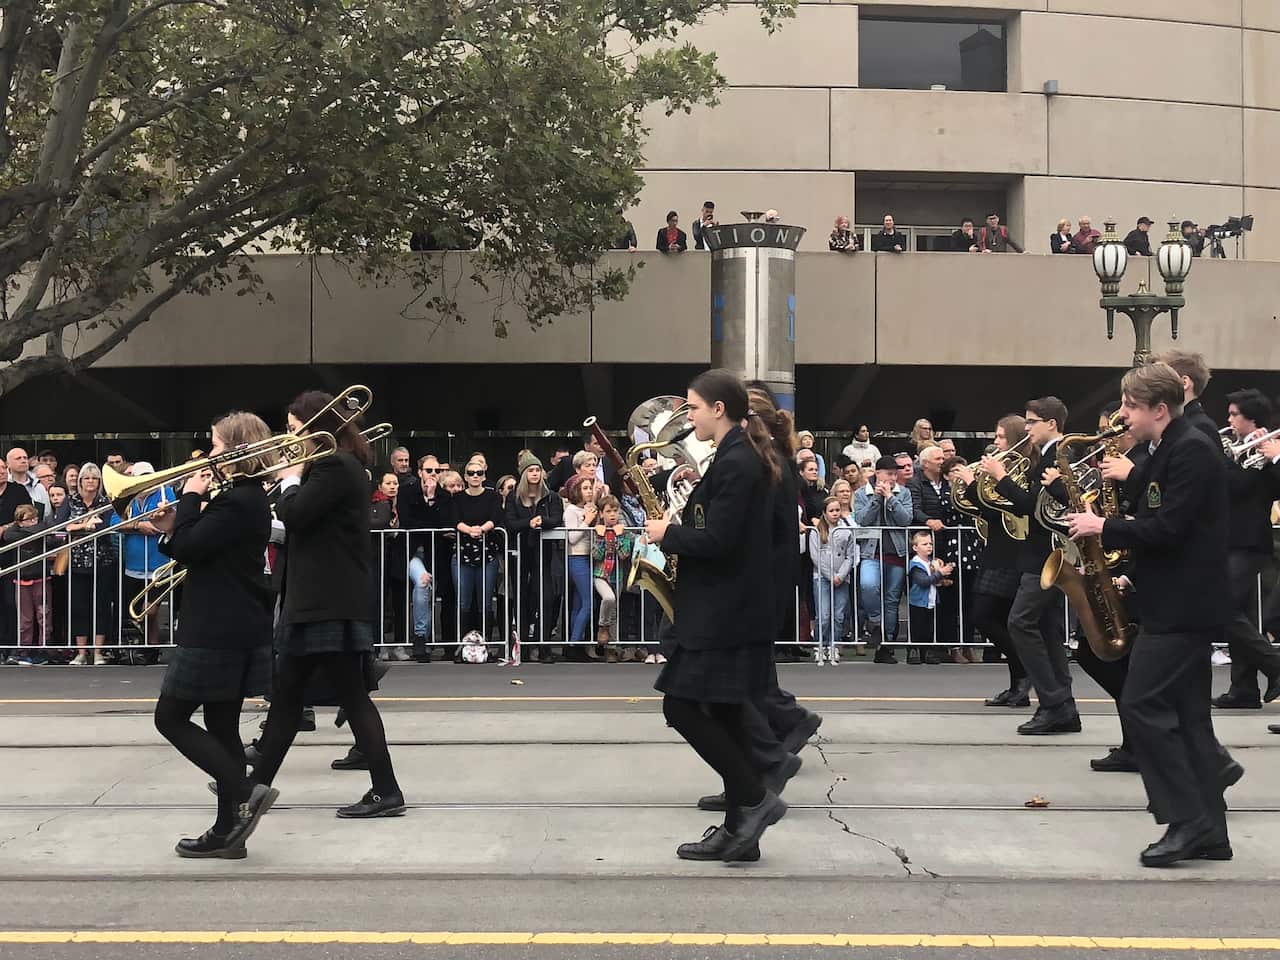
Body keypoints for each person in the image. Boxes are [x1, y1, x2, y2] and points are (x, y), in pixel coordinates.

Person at [1066, 363, 1234, 867]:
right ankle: (1212, 832)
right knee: (1188, 720)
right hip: (1177, 600)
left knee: (1140, 704)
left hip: (1183, 608)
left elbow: (1170, 529)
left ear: (1159, 409)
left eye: (1130, 407)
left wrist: (1105, 525)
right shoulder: (1173, 447)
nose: (1123, 416)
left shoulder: (1191, 449)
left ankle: (1186, 820)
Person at [643, 369, 787, 863]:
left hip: (724, 613)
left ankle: (754, 801)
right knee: (724, 713)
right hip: (728, 609)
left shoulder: (738, 463)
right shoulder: (736, 457)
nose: (689, 417)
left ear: (719, 409)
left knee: (680, 707)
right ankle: (739, 830)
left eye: (694, 408)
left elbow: (720, 541)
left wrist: (668, 534)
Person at [250, 390, 405, 819]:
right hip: (322, 599)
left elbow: (295, 514)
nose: (287, 435)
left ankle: (387, 790)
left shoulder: (333, 466)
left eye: (292, 426)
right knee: (287, 699)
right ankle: (253, 788)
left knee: (349, 698)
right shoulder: (337, 465)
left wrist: (290, 476)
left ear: (315, 426)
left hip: (326, 600)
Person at [150, 412, 278, 859]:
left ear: (240, 451)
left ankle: (244, 790)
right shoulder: (242, 499)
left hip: (217, 628)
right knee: (220, 724)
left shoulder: (238, 499)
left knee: (169, 717)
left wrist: (188, 499)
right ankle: (228, 832)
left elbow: (189, 546)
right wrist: (173, 527)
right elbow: (194, 546)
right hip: (234, 625)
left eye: (217, 446)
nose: (209, 455)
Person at [979, 397, 1078, 735]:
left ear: (1051, 423)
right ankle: (1063, 706)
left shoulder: (1059, 454)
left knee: (1020, 623)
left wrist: (1002, 476)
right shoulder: (1050, 454)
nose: (1027, 428)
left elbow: (1032, 505)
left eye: (1032, 421)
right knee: (1047, 631)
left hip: (1045, 554)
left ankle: (1053, 703)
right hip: (1039, 555)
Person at [1212, 389, 1280, 708]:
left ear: (1251, 419)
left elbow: (1237, 487)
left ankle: (1274, 665)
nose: (1228, 420)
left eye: (1234, 414)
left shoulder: (1263, 451)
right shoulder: (1239, 450)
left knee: (1220, 607)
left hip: (1249, 540)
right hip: (1231, 538)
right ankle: (1244, 688)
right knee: (1243, 614)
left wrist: (1269, 457)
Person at [505, 452, 564, 662]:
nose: (535, 474)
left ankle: (544, 647)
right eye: (531, 470)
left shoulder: (551, 496)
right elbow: (510, 523)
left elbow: (557, 519)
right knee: (521, 599)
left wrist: (543, 521)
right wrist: (527, 524)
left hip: (544, 554)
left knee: (546, 598)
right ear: (523, 474)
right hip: (520, 554)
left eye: (538, 470)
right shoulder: (513, 496)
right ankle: (524, 647)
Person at [854, 456, 914, 665]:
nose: (892, 478)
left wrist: (891, 498)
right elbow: (861, 520)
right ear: (877, 474)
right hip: (871, 552)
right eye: (889, 474)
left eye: (894, 474)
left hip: (896, 552)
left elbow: (906, 519)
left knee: (891, 600)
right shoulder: (862, 493)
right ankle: (876, 623)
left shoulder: (903, 492)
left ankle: (886, 645)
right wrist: (877, 499)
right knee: (868, 585)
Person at [808, 496, 855, 665]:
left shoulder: (846, 530)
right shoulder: (816, 531)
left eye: (837, 510)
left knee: (838, 614)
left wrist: (841, 576)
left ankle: (834, 645)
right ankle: (820, 645)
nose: (835, 514)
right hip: (821, 576)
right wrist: (830, 575)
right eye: (831, 511)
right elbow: (815, 556)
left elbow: (850, 556)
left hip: (842, 578)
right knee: (824, 614)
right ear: (824, 513)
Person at [590, 495, 635, 657]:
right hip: (601, 575)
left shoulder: (625, 532)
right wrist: (602, 537)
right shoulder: (597, 530)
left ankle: (612, 649)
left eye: (615, 511)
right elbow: (596, 554)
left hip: (617, 575)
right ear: (601, 514)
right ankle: (603, 627)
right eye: (608, 511)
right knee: (609, 598)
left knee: (614, 611)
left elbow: (624, 554)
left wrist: (620, 537)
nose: (612, 515)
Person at [907, 530, 953, 664]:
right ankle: (914, 651)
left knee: (929, 628)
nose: (929, 546)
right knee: (917, 628)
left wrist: (943, 580)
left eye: (930, 544)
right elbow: (923, 581)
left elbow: (933, 581)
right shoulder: (916, 564)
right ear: (915, 547)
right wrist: (940, 573)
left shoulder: (932, 563)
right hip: (918, 602)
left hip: (930, 600)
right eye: (924, 544)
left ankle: (927, 651)